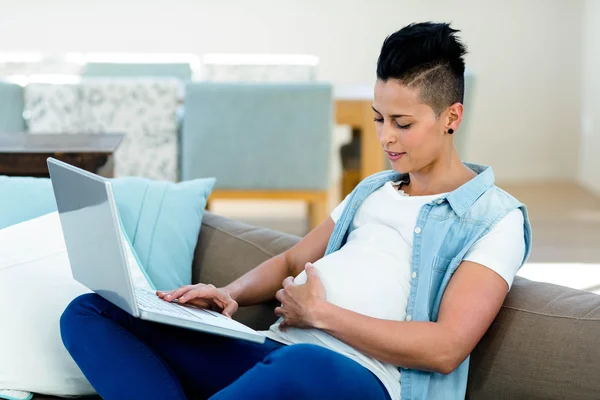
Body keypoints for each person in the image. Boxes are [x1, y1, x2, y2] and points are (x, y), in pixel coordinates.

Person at [60, 22, 531, 400]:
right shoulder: (373, 190)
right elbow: (290, 261)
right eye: (379, 119)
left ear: (452, 116)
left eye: (403, 124)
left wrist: (323, 315)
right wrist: (227, 294)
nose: (386, 138)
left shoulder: (495, 218)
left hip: (361, 376)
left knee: (304, 364)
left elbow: (447, 348)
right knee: (91, 312)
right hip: (277, 350)